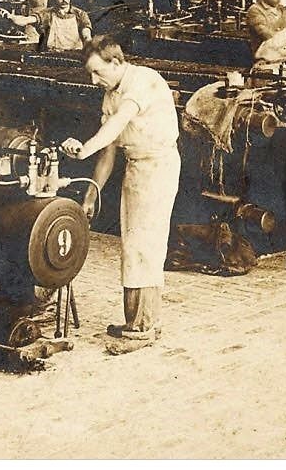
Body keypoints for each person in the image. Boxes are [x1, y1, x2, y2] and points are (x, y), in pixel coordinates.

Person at [60, 38, 180, 349]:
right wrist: (91, 195)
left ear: (116, 62)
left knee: (145, 244)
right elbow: (108, 154)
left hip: (158, 165)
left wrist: (84, 149)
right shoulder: (110, 95)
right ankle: (139, 320)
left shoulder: (141, 81)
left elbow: (117, 125)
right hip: (137, 167)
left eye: (98, 72)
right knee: (133, 244)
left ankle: (143, 327)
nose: (93, 80)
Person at [1, 0, 93, 52]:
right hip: (51, 56)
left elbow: (87, 36)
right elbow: (26, 20)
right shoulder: (47, 14)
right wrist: (10, 16)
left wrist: (89, 47)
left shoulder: (81, 15)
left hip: (74, 56)